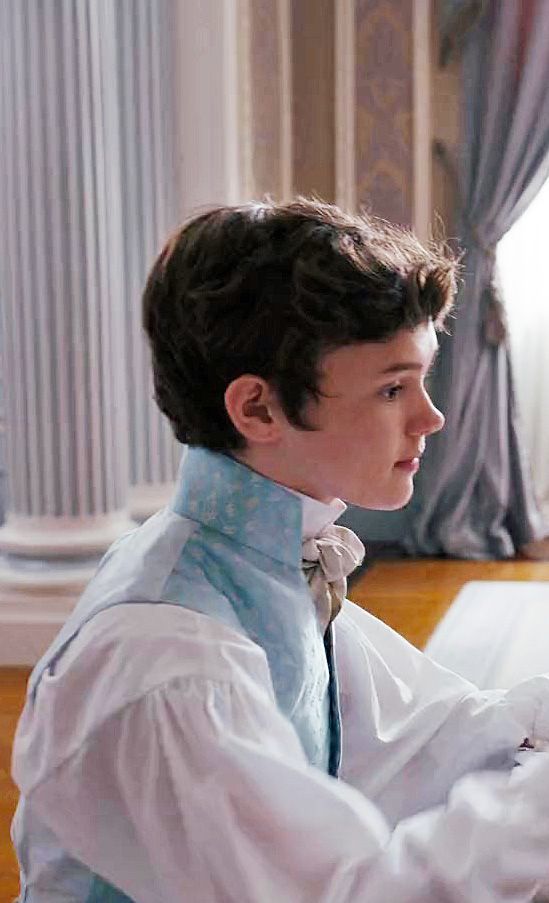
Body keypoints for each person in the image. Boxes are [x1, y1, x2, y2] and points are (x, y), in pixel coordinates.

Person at [10, 199, 549, 902]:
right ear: (258, 409)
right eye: (393, 387)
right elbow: (345, 893)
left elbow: (426, 733)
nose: (431, 417)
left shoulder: (261, 562)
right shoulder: (170, 658)